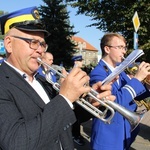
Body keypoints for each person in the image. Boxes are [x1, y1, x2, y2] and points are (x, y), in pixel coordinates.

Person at [0, 7, 115, 150]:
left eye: (42, 44)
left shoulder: (43, 81)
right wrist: (65, 98)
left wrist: (91, 103)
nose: (41, 50)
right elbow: (16, 142)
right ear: (9, 44)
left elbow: (65, 118)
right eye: (33, 42)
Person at [90, 32, 150, 150]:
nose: (124, 51)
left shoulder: (120, 72)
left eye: (124, 47)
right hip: (109, 136)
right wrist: (137, 79)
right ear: (107, 49)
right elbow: (115, 102)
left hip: (125, 132)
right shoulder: (98, 73)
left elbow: (135, 95)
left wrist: (148, 86)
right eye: (120, 47)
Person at [71, 55, 86, 146]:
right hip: (75, 100)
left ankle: (77, 134)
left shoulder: (80, 72)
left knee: (78, 119)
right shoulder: (73, 72)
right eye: (80, 61)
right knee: (75, 119)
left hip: (80, 99)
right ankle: (75, 136)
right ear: (75, 62)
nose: (82, 62)